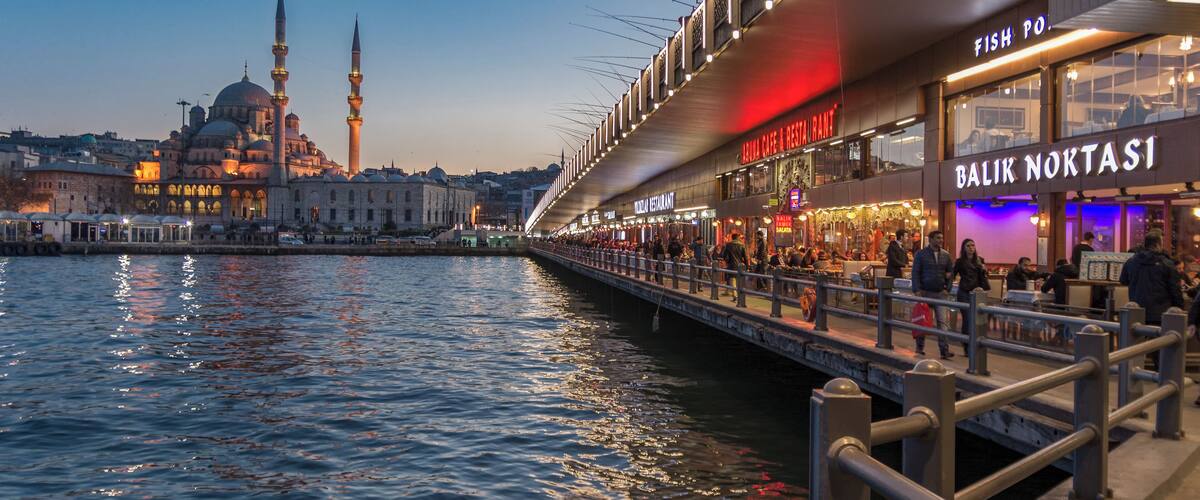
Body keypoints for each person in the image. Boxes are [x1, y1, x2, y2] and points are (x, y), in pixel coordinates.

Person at [1120, 232, 1185, 325]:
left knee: (1136, 333)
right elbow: (1175, 290)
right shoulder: (1167, 264)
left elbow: (1123, 281)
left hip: (1136, 310)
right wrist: (1180, 307)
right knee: (1159, 334)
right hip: (1161, 313)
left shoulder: (1131, 262)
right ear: (1158, 245)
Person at [911, 230, 955, 358]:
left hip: (940, 293)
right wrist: (917, 289)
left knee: (943, 323)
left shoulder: (946, 255)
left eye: (941, 238)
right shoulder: (921, 254)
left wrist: (948, 289)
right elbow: (915, 272)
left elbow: (950, 274)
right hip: (925, 292)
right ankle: (919, 347)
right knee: (923, 320)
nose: (940, 240)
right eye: (938, 238)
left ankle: (944, 350)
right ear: (930, 239)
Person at [722, 233, 749, 302]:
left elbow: (724, 256)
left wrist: (727, 261)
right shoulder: (742, 245)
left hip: (731, 265)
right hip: (740, 265)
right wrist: (747, 266)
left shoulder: (728, 245)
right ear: (738, 238)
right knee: (739, 280)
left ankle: (735, 295)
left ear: (732, 238)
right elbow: (745, 257)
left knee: (732, 280)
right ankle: (740, 295)